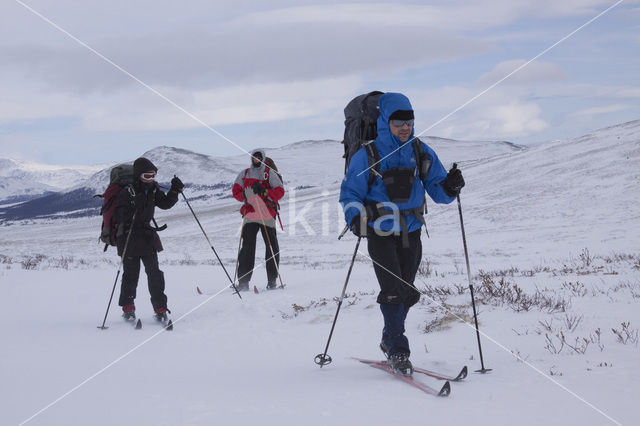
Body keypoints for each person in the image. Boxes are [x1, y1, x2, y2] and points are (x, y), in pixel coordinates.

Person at [339, 92, 465, 375]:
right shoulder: (368, 154)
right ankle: (398, 349)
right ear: (386, 121)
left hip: (413, 229)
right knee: (394, 291)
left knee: (407, 292)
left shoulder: (420, 150)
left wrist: (450, 187)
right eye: (398, 122)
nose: (405, 127)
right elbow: (350, 192)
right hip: (380, 232)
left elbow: (438, 190)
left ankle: (388, 337)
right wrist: (354, 217)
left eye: (409, 121)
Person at [116, 157, 184, 322]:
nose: (151, 179)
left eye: (153, 176)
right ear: (138, 175)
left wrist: (175, 191)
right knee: (131, 275)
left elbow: (165, 204)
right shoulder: (127, 192)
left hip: (147, 237)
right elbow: (119, 215)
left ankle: (160, 308)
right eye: (147, 176)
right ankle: (128, 309)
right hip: (129, 238)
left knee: (155, 274)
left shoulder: (153, 189)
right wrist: (131, 210)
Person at [232, 149, 285, 291]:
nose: (256, 160)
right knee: (247, 248)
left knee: (271, 246)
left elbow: (280, 191)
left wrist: (265, 192)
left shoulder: (269, 174)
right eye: (254, 158)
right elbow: (236, 192)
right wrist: (245, 194)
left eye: (258, 158)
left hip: (266, 213)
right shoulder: (244, 174)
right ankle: (243, 282)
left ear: (263, 158)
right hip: (250, 214)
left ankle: (272, 281)